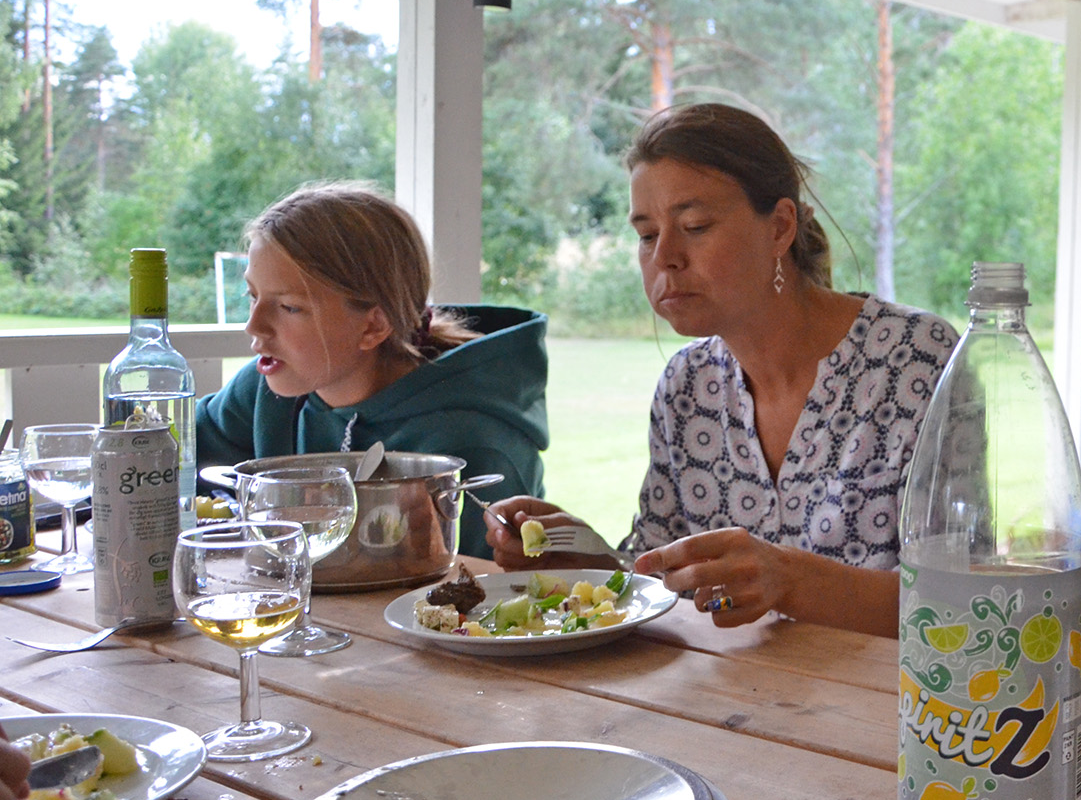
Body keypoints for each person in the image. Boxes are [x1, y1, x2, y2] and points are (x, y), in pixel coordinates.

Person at [485, 103, 957, 638]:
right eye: (645, 234)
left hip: (891, 713)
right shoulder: (686, 388)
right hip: (724, 711)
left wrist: (790, 582)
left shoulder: (918, 359)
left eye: (695, 225)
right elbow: (660, 575)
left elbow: (960, 602)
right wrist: (579, 558)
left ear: (779, 228)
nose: (665, 256)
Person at [195, 183, 549, 559]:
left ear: (373, 327)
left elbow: (478, 601)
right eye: (253, 296)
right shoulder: (266, 389)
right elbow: (169, 464)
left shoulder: (474, 443)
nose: (254, 326)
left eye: (289, 307)